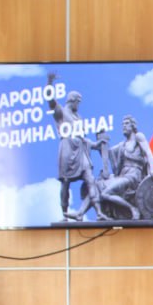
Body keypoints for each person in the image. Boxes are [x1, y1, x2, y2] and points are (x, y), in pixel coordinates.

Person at [47, 72, 105, 221]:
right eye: (78, 102)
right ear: (72, 100)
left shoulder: (79, 117)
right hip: (67, 149)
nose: (79, 105)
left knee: (90, 179)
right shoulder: (61, 112)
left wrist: (95, 145)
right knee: (65, 183)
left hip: (81, 152)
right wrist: (49, 82)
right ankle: (64, 215)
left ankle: (99, 212)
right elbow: (50, 100)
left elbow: (83, 139)